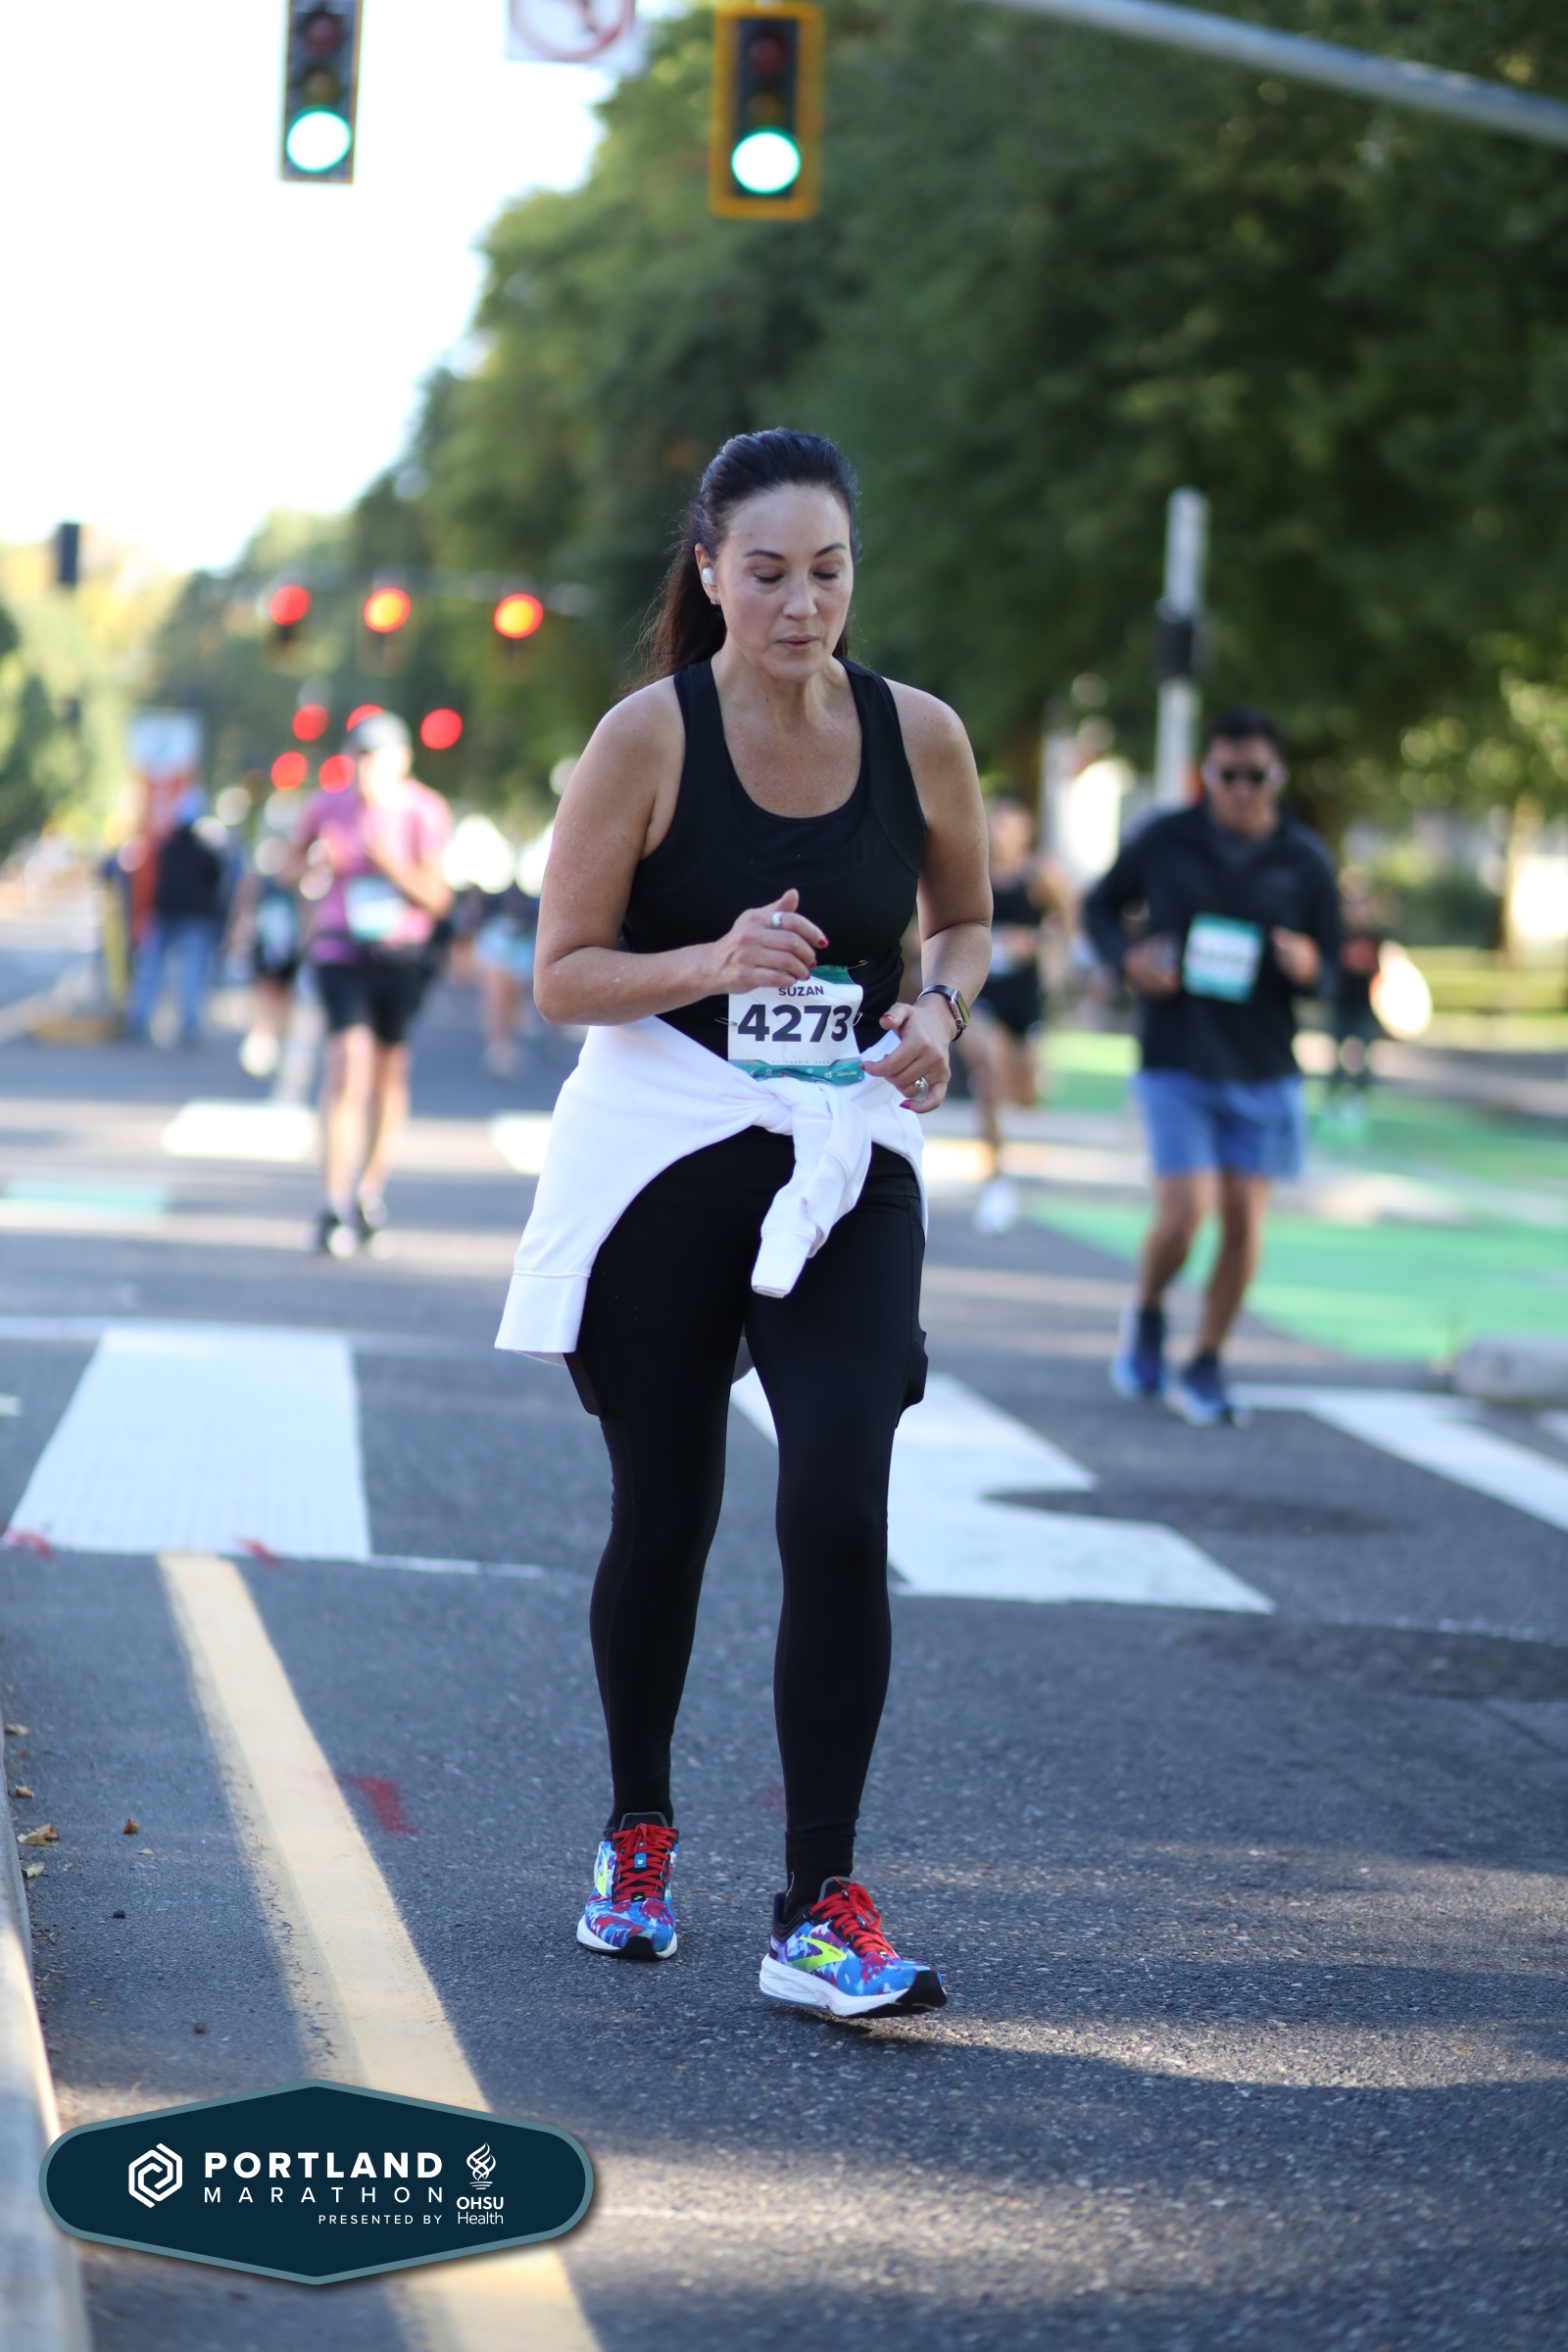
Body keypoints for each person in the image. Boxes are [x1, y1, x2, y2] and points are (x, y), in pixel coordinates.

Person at [498, 429, 992, 2017]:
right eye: (767, 573)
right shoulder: (646, 738)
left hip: (842, 1146)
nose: (801, 605)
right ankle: (638, 1829)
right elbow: (561, 974)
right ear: (708, 572)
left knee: (841, 1503)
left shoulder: (921, 736)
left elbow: (965, 923)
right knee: (668, 1513)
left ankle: (818, 1905)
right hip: (668, 1147)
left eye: (828, 573)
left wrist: (938, 1013)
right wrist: (711, 961)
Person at [1084, 706, 1339, 1427]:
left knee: (1244, 1220)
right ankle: (1148, 1309)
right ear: (1207, 773)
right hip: (1177, 1055)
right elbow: (1099, 909)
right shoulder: (1165, 838)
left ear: (1277, 776)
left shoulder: (1305, 859)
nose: (1240, 790)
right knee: (1185, 1210)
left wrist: (1309, 964)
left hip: (1264, 1063)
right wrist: (1129, 960)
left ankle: (1207, 1361)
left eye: (1255, 776)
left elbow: (1335, 966)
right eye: (1227, 775)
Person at [283, 712, 452, 1257]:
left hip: (400, 956)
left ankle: (368, 1193)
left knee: (386, 1076)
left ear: (401, 761)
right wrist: (312, 862)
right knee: (345, 1068)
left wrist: (392, 866)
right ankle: (332, 1201)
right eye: (358, 755)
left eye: (376, 756)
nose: (365, 767)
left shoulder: (424, 810)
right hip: (340, 950)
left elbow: (438, 897)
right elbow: (287, 868)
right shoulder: (325, 805)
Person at [961, 794, 1071, 1235]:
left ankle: (1014, 1131)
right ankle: (996, 1176)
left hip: (1024, 995)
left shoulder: (1040, 876)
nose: (1004, 834)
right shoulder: (972, 874)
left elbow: (1066, 923)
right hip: (982, 991)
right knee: (989, 1069)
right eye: (998, 825)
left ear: (1026, 830)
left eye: (1013, 825)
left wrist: (1040, 944)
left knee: (1023, 1092)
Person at [125, 788, 229, 1046]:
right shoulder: (206, 854)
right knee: (191, 972)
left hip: (165, 914)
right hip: (194, 918)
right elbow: (217, 884)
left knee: (151, 969)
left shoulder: (164, 849)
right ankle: (188, 1025)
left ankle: (138, 1018)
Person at [1323, 873, 1383, 1138]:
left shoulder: (1374, 937)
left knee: (1363, 1061)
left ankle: (1357, 1106)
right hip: (1341, 1005)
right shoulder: (1337, 935)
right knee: (1336, 1060)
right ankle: (1332, 1105)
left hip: (1363, 1007)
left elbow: (1380, 973)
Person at [472, 880, 540, 1074]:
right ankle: (499, 1047)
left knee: (515, 998)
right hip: (499, 932)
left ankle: (507, 1044)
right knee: (497, 994)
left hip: (526, 936)